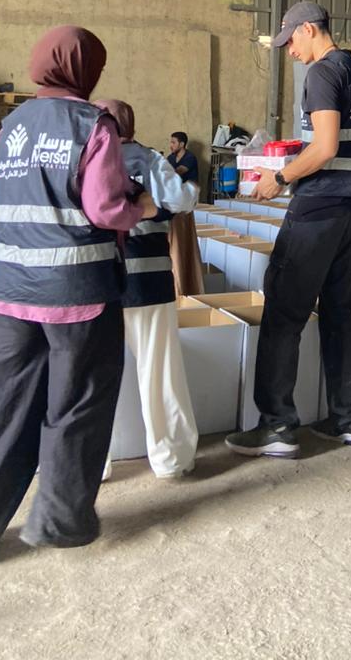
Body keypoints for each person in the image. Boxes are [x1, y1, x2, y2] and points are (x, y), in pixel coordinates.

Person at [0, 26, 156, 575]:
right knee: (77, 405)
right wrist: (142, 208)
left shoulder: (10, 126)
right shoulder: (93, 125)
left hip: (8, 295)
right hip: (78, 296)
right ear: (87, 71)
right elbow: (105, 208)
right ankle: (59, 521)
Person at [225, 2, 351, 459]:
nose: (289, 51)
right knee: (340, 313)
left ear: (309, 29)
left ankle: (277, 425)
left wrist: (281, 176)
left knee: (283, 313)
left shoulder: (322, 73)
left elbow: (325, 146)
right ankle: (349, 419)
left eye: (290, 40)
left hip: (317, 211)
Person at [97, 100, 200, 480]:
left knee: (92, 376)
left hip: (96, 284)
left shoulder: (84, 159)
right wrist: (176, 196)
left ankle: (93, 463)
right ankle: (170, 459)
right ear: (132, 126)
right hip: (148, 281)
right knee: (160, 371)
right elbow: (182, 200)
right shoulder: (147, 158)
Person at [166, 131, 201, 296]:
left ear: (182, 144)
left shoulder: (189, 158)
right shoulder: (171, 158)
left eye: (173, 142)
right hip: (175, 203)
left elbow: (176, 173)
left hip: (187, 203)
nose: (171, 145)